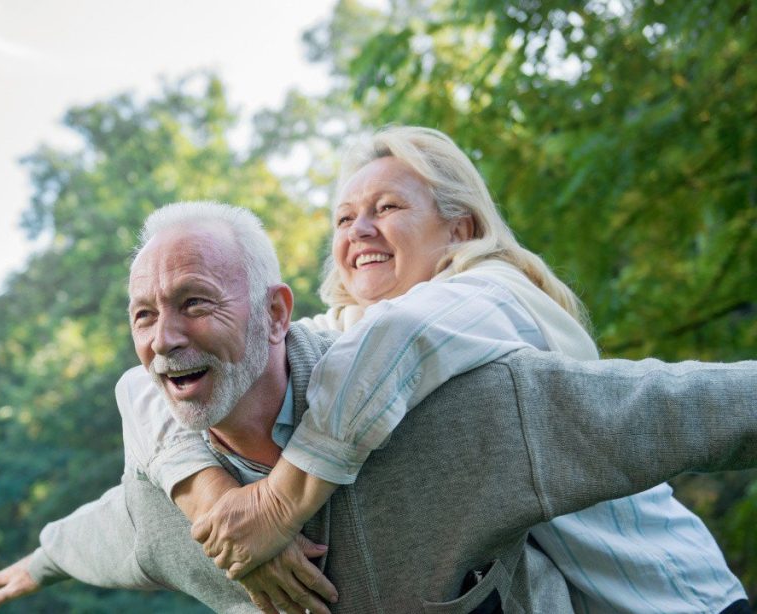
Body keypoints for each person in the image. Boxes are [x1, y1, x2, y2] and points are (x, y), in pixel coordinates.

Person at [0, 202, 757, 613]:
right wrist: (44, 558)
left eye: (195, 302)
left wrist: (280, 504)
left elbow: (675, 408)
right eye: (143, 315)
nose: (164, 339)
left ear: (276, 314)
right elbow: (109, 532)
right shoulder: (167, 499)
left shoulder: (455, 413)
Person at [127, 128, 752, 612]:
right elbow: (146, 383)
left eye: (387, 207)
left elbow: (401, 338)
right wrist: (212, 500)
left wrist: (277, 505)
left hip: (675, 600)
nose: (359, 229)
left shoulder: (497, 295)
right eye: (344, 217)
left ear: (460, 228)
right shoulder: (350, 333)